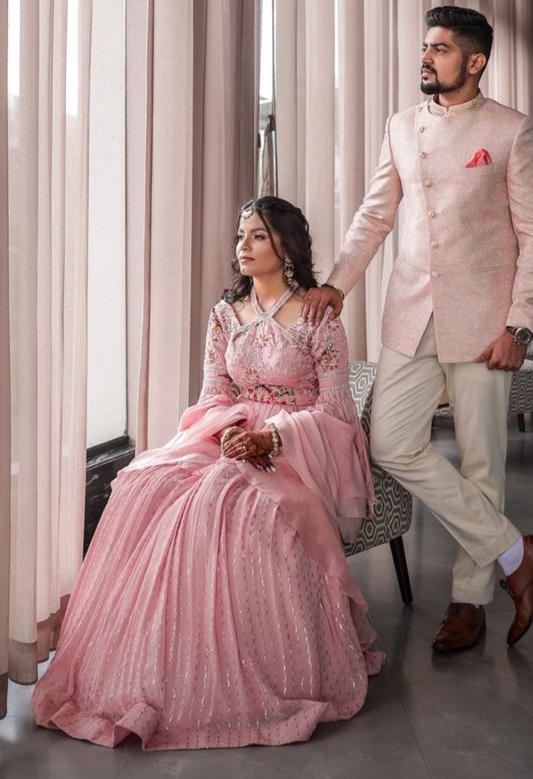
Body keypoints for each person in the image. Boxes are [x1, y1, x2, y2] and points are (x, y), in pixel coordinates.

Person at [32, 196, 383, 750]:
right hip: (231, 432)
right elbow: (214, 395)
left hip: (299, 445)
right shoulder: (226, 316)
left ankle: (252, 665)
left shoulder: (318, 318)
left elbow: (337, 412)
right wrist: (230, 435)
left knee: (229, 504)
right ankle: (149, 665)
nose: (242, 247)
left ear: (287, 247)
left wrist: (271, 437)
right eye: (240, 236)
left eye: (257, 237)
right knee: (145, 481)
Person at [303, 5, 533, 653]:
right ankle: (512, 551)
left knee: (480, 463)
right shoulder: (399, 126)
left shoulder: (510, 131)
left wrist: (519, 325)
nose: (426, 57)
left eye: (440, 49)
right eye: (425, 47)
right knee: (389, 442)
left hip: (483, 324)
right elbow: (373, 216)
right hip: (409, 315)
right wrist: (336, 282)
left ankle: (468, 601)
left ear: (474, 61)